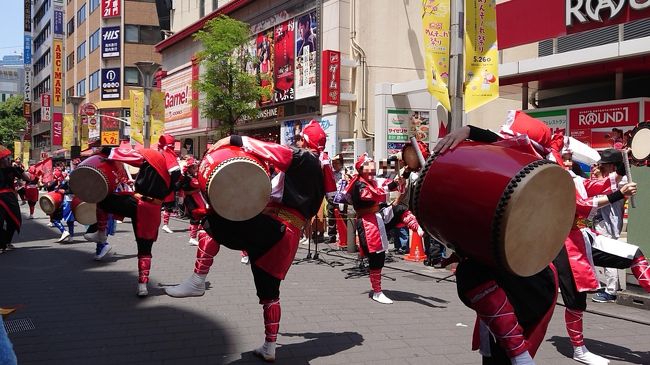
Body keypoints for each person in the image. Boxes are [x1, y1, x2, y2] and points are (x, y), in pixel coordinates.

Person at [165, 120, 336, 362]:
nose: (295, 143)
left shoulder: (303, 158)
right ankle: (269, 347)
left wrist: (233, 140)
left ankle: (197, 280)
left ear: (303, 142)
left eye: (298, 140)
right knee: (270, 294)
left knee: (213, 221)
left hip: (276, 227)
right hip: (287, 238)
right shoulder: (320, 168)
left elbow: (267, 149)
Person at [433, 117, 561, 365]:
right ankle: (519, 355)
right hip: (510, 272)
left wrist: (615, 194)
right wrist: (470, 130)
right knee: (494, 347)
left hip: (529, 279)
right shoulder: (522, 173)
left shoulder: (543, 176)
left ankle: (521, 355)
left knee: (471, 274)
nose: (504, 146)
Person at [553, 143, 649, 365]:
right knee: (576, 301)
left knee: (635, 254)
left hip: (584, 235)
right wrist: (618, 194)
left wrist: (625, 169)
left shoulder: (572, 177)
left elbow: (595, 185)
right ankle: (578, 349)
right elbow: (581, 205)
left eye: (569, 158)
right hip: (564, 242)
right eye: (565, 157)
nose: (569, 162)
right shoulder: (551, 180)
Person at [84, 134, 181, 296]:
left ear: (160, 145)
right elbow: (174, 184)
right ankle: (142, 286)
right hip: (153, 208)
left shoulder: (152, 156)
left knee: (103, 199)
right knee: (145, 249)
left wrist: (108, 151)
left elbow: (126, 155)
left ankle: (101, 235)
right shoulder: (174, 167)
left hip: (136, 203)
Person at [346, 153, 423, 304]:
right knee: (377, 258)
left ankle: (417, 227)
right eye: (369, 165)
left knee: (399, 209)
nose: (373, 167)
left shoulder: (373, 181)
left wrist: (406, 172)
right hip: (367, 223)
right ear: (361, 168)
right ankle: (377, 291)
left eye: (373, 164)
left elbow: (389, 185)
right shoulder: (359, 184)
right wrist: (391, 186)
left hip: (378, 217)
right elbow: (373, 195)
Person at [591, 150, 627, 303]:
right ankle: (601, 285)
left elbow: (607, 194)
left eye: (603, 166)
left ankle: (611, 290)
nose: (600, 169)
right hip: (600, 222)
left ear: (613, 166)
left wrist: (600, 178)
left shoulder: (622, 181)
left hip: (609, 224)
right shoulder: (607, 179)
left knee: (608, 254)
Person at [0, 145, 32, 253]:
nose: (7, 160)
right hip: (3, 197)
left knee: (14, 220)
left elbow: (28, 178)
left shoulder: (12, 169)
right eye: (5, 158)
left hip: (10, 197)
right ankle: (2, 243)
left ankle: (6, 242)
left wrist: (19, 169)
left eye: (7, 158)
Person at [159, 134, 178, 234]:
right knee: (168, 205)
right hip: (166, 183)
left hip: (158, 183)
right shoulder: (168, 153)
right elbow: (175, 171)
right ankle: (165, 224)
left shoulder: (160, 153)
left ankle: (163, 224)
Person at [326, 154, 345, 244]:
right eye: (333, 163)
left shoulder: (345, 172)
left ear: (341, 163)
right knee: (331, 216)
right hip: (332, 196)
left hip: (342, 197)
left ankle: (344, 236)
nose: (334, 165)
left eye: (336, 163)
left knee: (342, 216)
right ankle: (331, 235)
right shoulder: (331, 173)